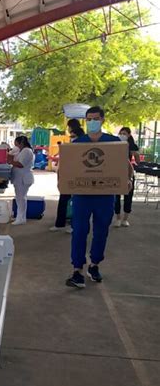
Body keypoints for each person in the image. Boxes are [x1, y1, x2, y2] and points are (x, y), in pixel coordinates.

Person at [65, 106, 133, 289]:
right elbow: (67, 166)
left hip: (104, 195)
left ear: (102, 120)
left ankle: (94, 265)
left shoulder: (113, 143)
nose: (91, 122)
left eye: (95, 119)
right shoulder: (79, 143)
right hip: (82, 195)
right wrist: (63, 182)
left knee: (101, 231)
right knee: (79, 230)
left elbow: (125, 165)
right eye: (88, 119)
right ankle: (77, 269)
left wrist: (127, 179)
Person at [50, 119, 85, 233]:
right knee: (65, 198)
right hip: (69, 170)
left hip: (75, 172)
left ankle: (71, 225)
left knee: (73, 200)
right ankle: (62, 223)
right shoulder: (78, 138)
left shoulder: (82, 140)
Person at [113, 127, 140, 227]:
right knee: (116, 197)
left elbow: (138, 162)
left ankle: (125, 219)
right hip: (117, 173)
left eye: (124, 134)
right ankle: (118, 218)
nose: (122, 135)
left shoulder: (133, 146)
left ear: (129, 135)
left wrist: (135, 154)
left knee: (128, 196)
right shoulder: (115, 145)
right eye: (121, 133)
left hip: (129, 173)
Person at [8, 136, 35, 225]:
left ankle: (21, 218)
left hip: (23, 178)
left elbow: (20, 164)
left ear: (21, 143)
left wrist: (10, 161)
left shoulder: (26, 151)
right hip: (20, 178)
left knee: (21, 199)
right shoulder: (22, 151)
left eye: (16, 144)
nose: (15, 146)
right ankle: (20, 217)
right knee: (20, 198)